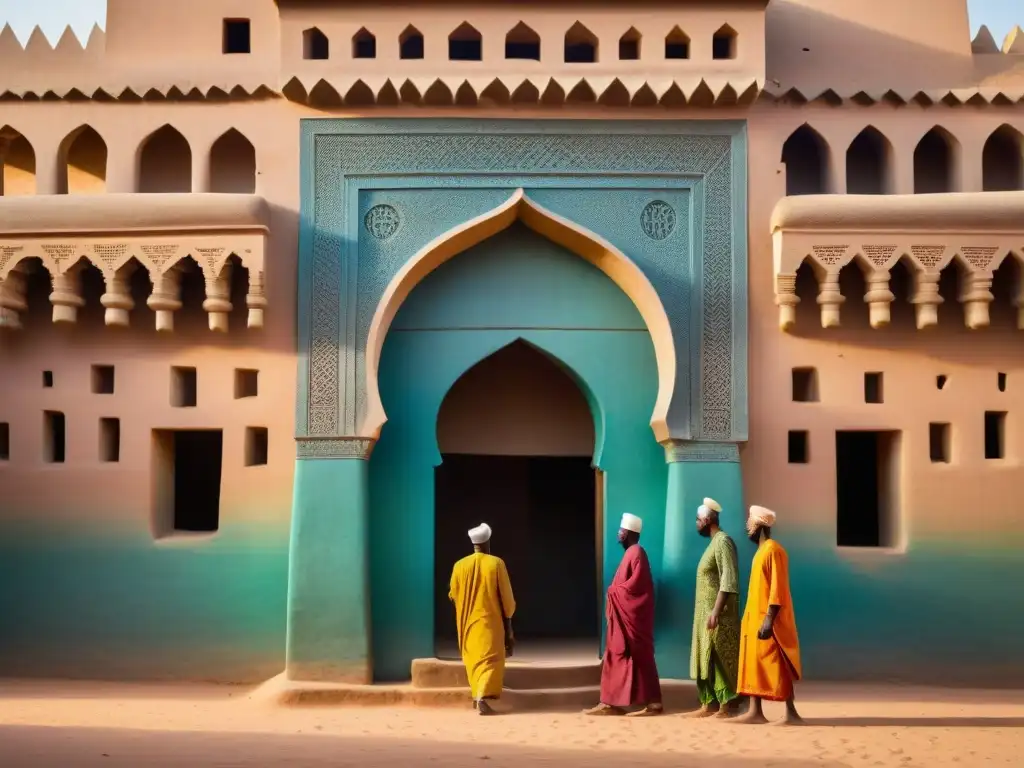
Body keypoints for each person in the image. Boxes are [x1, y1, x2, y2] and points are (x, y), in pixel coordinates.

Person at [583, 513, 663, 717]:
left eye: (621, 530)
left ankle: (654, 703)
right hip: (623, 620)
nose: (618, 533)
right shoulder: (631, 553)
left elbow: (638, 587)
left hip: (632, 621)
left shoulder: (637, 553)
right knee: (616, 658)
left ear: (628, 533)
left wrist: (613, 592)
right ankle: (610, 702)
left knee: (641, 657)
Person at [734, 505, 803, 726]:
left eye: (748, 523)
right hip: (754, 620)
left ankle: (790, 713)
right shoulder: (760, 552)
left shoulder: (773, 550)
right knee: (754, 665)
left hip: (768, 621)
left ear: (757, 525)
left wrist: (768, 619)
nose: (746, 528)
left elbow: (777, 588)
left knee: (777, 664)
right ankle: (755, 711)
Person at [449, 523, 517, 716]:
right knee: (490, 660)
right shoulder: (496, 564)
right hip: (490, 623)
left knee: (474, 660)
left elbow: (453, 595)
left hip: (467, 624)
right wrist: (509, 627)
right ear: (487, 542)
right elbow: (507, 599)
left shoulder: (459, 565)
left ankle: (476, 694)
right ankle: (482, 697)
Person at [685, 497, 741, 719]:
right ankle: (707, 703)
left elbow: (728, 578)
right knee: (704, 658)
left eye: (698, 520)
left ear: (707, 519)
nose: (696, 523)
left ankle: (725, 705)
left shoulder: (723, 541)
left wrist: (716, 612)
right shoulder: (712, 543)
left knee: (716, 657)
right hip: (703, 614)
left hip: (716, 615)